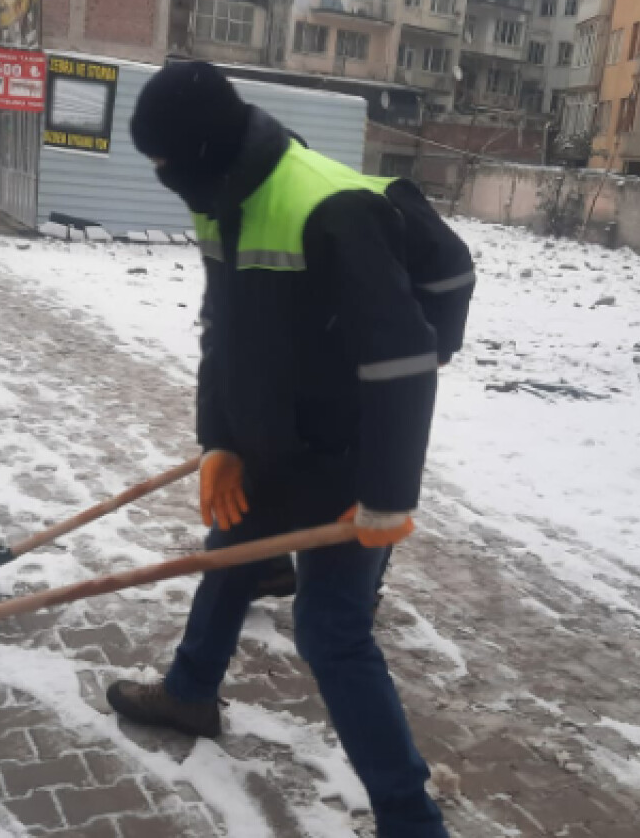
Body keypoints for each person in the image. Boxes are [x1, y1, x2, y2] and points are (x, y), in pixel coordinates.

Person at [105, 62, 474, 838]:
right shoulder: (220, 203)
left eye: (169, 166)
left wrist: (387, 495)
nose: (167, 182)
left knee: (331, 629)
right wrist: (220, 441)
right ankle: (190, 692)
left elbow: (404, 356)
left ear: (202, 150)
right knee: (229, 549)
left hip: (350, 455)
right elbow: (224, 335)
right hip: (273, 441)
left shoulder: (328, 206)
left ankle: (411, 819)